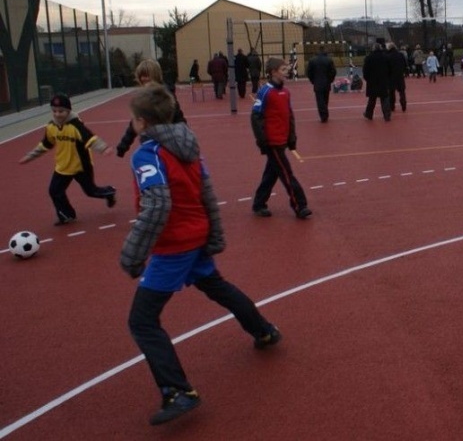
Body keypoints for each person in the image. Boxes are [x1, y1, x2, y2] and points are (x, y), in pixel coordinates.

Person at [120, 84, 281, 426]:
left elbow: (157, 205)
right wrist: (213, 234)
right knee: (216, 286)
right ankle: (264, 330)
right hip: (195, 236)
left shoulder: (147, 155)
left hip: (174, 246)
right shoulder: (189, 146)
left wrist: (134, 254)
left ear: (142, 122)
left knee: (142, 321)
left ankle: (177, 391)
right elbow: (208, 192)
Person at [18, 93, 116, 225]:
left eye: (61, 111)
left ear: (68, 110)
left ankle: (109, 193)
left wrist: (103, 148)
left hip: (81, 166)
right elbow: (46, 144)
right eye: (55, 111)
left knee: (91, 191)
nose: (58, 114)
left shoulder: (75, 125)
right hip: (63, 166)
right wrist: (29, 156)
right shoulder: (51, 127)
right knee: (54, 191)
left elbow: (90, 138)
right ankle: (66, 215)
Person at [250, 58, 312, 219]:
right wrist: (262, 140)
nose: (287, 72)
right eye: (283, 70)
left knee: (271, 173)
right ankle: (300, 205)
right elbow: (255, 116)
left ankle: (258, 203)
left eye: (287, 69)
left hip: (283, 139)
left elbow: (289, 116)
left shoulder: (286, 92)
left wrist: (292, 138)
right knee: (286, 173)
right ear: (273, 72)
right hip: (272, 141)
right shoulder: (265, 91)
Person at [116, 59, 187, 158]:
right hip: (151, 140)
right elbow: (135, 122)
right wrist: (123, 145)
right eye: (141, 76)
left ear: (155, 75)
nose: (143, 78)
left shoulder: (165, 95)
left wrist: (185, 136)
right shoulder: (143, 98)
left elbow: (178, 116)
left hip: (168, 140)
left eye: (146, 75)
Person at [305, 46, 337, 122]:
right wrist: (330, 80)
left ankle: (323, 115)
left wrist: (313, 81)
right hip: (326, 82)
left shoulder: (312, 60)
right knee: (325, 100)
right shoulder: (329, 60)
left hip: (317, 83)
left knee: (320, 100)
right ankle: (325, 114)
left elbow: (309, 72)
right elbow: (333, 71)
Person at [362, 41, 392, 121]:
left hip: (372, 81)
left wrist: (367, 79)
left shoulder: (369, 58)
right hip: (383, 80)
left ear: (373, 48)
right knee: (385, 98)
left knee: (372, 99)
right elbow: (390, 69)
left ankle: (369, 114)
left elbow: (365, 71)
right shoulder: (386, 57)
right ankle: (387, 115)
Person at [386, 42, 408, 112]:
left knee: (391, 92)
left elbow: (386, 67)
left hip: (391, 76)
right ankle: (403, 104)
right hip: (400, 75)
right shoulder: (400, 55)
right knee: (402, 91)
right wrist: (403, 71)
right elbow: (405, 64)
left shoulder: (387, 56)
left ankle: (392, 106)